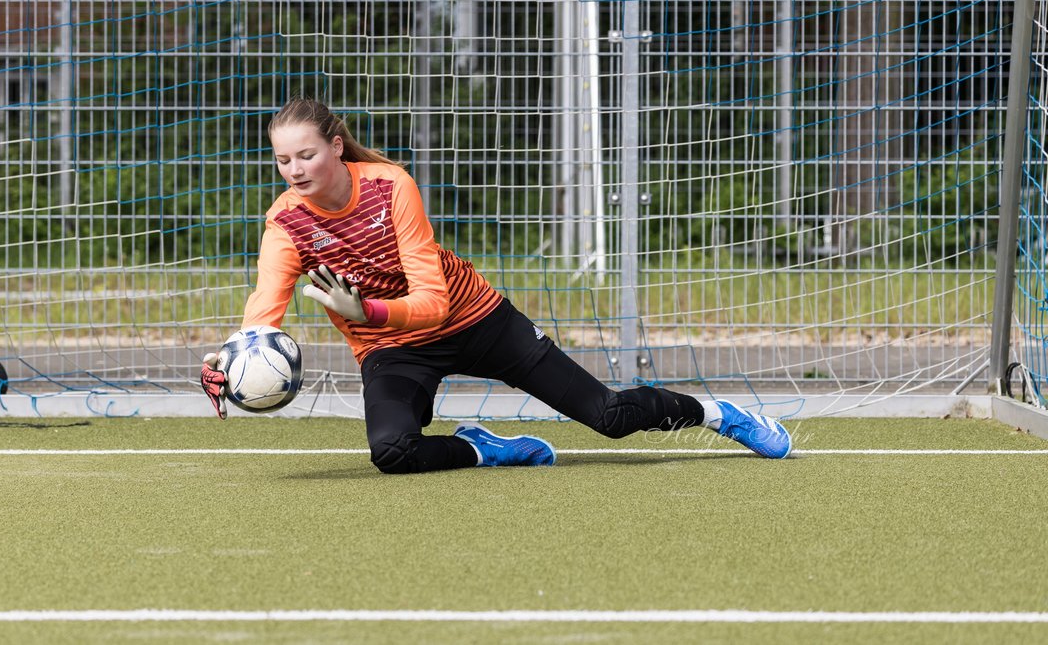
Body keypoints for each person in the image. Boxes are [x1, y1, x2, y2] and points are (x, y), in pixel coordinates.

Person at [201, 98, 791, 472]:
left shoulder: (389, 186)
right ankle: (487, 447)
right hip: (393, 349)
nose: (296, 170)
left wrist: (369, 310)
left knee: (608, 415)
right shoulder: (286, 221)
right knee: (392, 453)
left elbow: (432, 303)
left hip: (477, 321)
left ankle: (720, 415)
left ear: (336, 145)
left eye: (306, 154)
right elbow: (265, 308)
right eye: (283, 161)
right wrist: (236, 354)